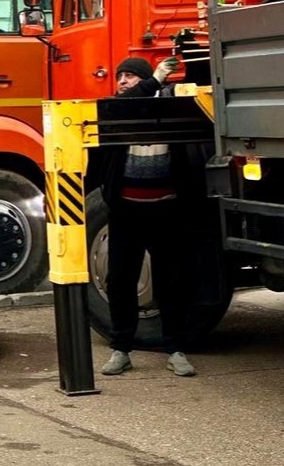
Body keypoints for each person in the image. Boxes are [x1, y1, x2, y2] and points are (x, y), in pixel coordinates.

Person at [98, 55, 198, 378]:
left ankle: (175, 350)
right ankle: (121, 350)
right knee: (120, 281)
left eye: (129, 76)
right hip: (125, 212)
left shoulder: (167, 108)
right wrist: (152, 80)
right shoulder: (117, 108)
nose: (122, 82)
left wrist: (157, 84)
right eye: (120, 77)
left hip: (166, 210)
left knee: (171, 281)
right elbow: (120, 107)